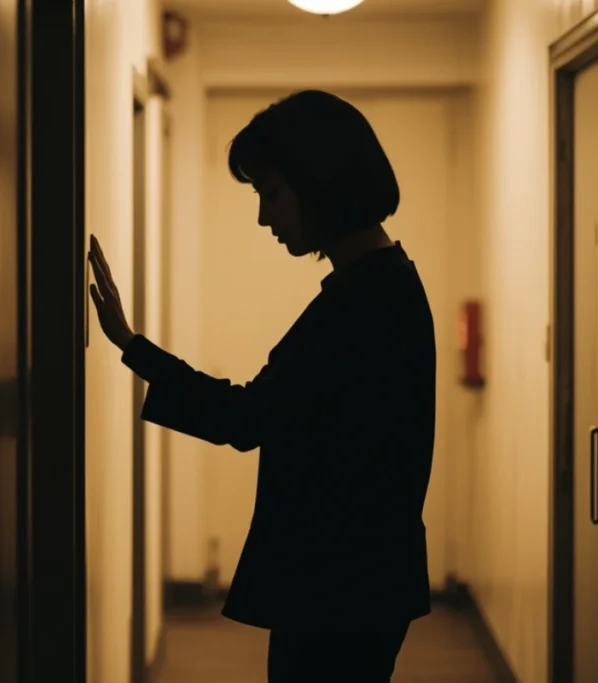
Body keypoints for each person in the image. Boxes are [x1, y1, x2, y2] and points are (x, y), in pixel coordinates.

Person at [88, 89, 436, 682]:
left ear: (320, 183)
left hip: (340, 591)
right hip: (358, 583)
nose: (264, 216)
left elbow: (248, 418)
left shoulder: (364, 304)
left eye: (270, 192)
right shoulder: (382, 285)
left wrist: (131, 345)